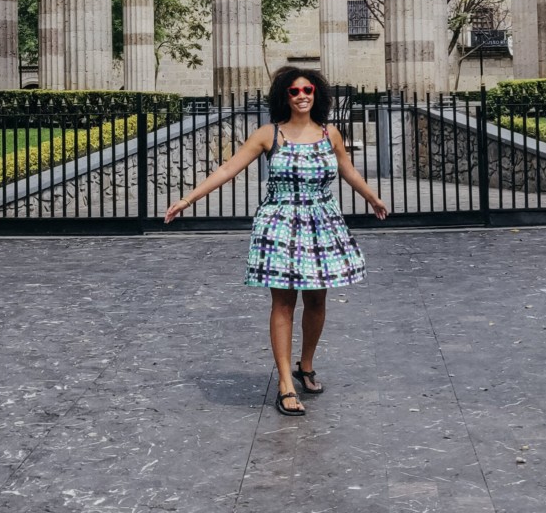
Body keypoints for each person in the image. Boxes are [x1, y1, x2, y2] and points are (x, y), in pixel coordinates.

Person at [164, 66, 387, 416]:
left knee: (316, 300)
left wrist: (372, 198)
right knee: (283, 304)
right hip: (280, 222)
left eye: (308, 90)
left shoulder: (330, 134)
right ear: (284, 96)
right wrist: (187, 200)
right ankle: (285, 383)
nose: (302, 96)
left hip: (321, 221)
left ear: (317, 95)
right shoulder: (270, 134)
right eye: (294, 91)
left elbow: (348, 170)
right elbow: (227, 169)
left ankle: (306, 364)